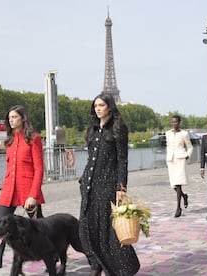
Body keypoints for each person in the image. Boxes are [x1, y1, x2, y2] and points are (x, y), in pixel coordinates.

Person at [78, 94, 140, 276]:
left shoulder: (118, 128)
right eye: (95, 105)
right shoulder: (93, 129)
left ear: (110, 107)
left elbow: (123, 160)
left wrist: (121, 188)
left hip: (107, 187)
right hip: (89, 186)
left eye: (101, 105)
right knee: (86, 230)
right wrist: (82, 180)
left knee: (106, 231)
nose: (98, 109)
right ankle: (97, 265)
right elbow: (91, 159)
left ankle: (121, 268)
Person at [0, 105, 45, 276]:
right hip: (8, 192)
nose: (11, 120)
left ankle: (53, 256)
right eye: (9, 118)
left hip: (28, 192)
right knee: (0, 230)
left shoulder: (34, 139)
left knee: (40, 230)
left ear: (22, 118)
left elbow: (39, 169)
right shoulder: (10, 140)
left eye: (14, 117)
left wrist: (33, 195)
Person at [166, 115, 193, 218]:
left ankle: (178, 208)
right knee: (173, 184)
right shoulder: (167, 133)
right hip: (171, 161)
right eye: (173, 122)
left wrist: (187, 155)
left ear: (179, 122)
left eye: (176, 122)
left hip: (180, 159)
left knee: (178, 184)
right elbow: (168, 146)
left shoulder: (184, 134)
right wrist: (168, 157)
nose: (174, 124)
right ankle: (184, 196)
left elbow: (190, 147)